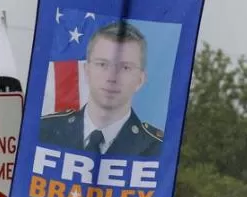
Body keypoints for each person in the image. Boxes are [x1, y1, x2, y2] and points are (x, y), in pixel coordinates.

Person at [39, 21, 163, 157]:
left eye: (125, 67)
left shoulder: (158, 149)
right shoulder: (44, 130)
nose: (111, 78)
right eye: (102, 64)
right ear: (87, 71)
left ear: (140, 80)